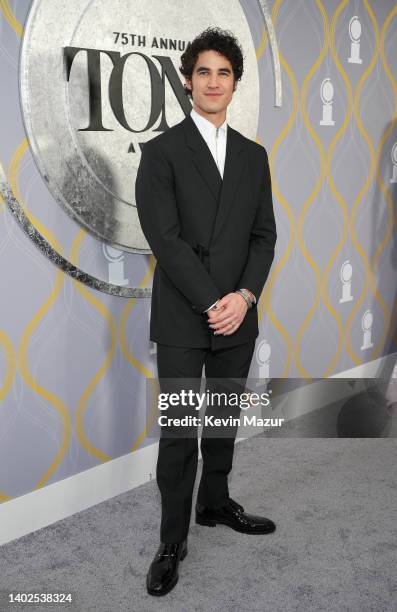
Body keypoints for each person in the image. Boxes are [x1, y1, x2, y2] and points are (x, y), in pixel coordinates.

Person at [135, 27, 277, 597]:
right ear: (187, 81)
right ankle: (172, 540)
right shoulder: (162, 152)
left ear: (235, 83)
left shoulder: (253, 155)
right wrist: (212, 300)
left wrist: (242, 298)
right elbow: (164, 240)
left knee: (221, 422)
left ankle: (214, 504)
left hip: (236, 314)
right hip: (184, 314)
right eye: (203, 72)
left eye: (224, 72)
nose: (213, 82)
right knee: (179, 431)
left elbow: (263, 237)